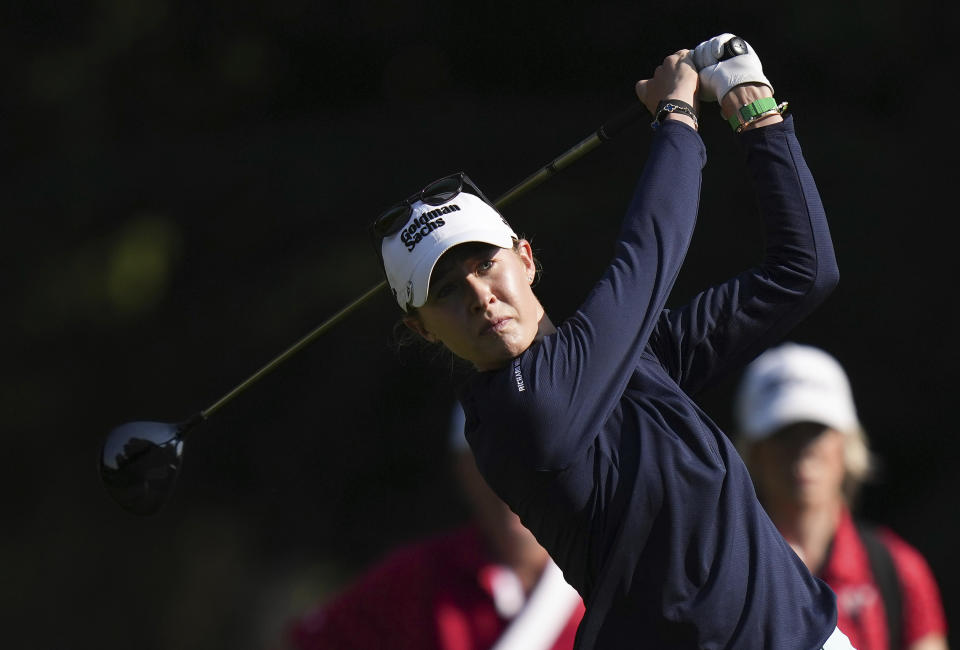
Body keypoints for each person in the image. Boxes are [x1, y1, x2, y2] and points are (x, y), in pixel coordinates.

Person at [372, 33, 852, 649]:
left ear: (525, 257)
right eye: (445, 290)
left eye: (484, 262)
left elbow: (804, 272)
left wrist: (754, 108)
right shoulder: (519, 414)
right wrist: (678, 116)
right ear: (421, 328)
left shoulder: (631, 361)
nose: (479, 295)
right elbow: (649, 252)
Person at [286, 401, 585, 650]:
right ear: (463, 470)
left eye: (531, 456)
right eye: (491, 460)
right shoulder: (415, 579)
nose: (512, 480)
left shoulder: (614, 577)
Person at [733, 342, 949, 650]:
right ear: (753, 452)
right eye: (783, 433)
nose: (803, 451)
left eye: (817, 430)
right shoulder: (724, 573)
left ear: (847, 443)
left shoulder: (899, 570)